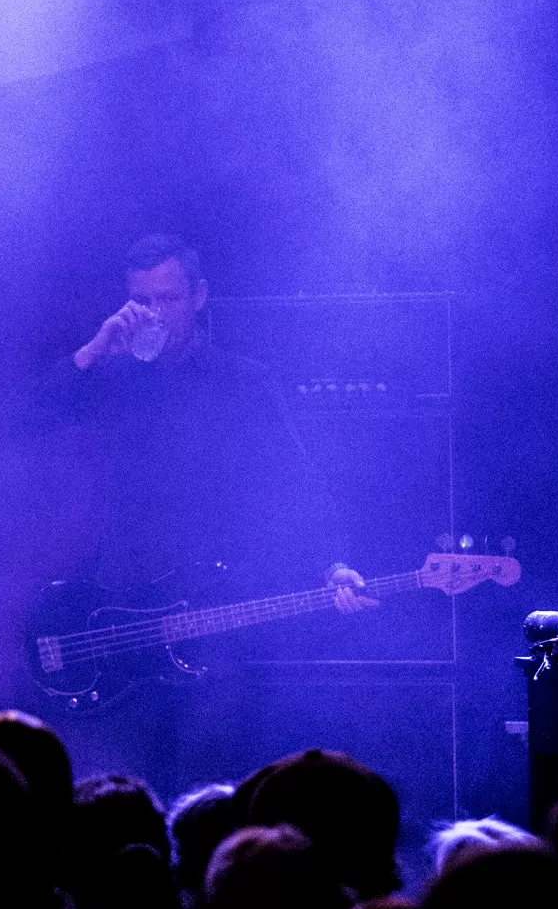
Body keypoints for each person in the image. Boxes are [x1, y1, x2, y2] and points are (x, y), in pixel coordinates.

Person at [24, 234, 368, 791]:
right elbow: (26, 422)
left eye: (168, 298)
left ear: (199, 296)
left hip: (214, 615)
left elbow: (295, 481)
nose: (155, 313)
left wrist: (332, 562)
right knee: (121, 790)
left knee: (207, 785)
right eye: (142, 300)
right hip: (123, 609)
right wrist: (94, 349)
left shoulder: (243, 382)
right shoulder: (114, 378)